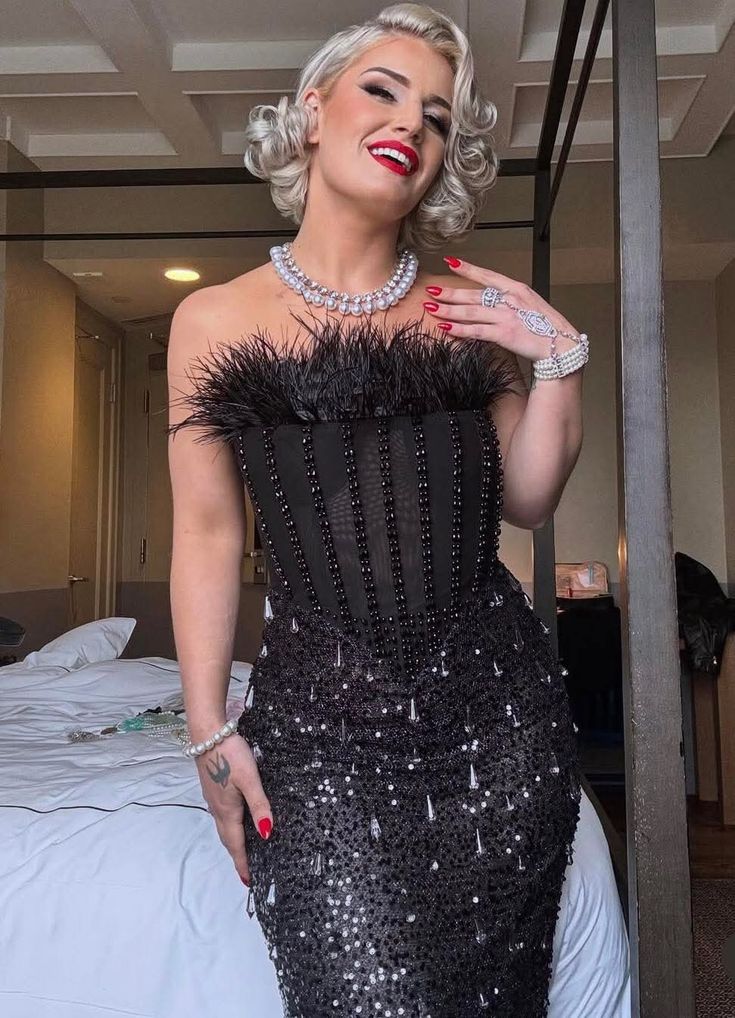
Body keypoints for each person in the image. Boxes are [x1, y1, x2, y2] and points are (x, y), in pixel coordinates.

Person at [166, 4, 593, 1015]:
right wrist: (207, 732)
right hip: (317, 740)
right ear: (313, 113)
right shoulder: (214, 319)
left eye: (437, 117)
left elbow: (529, 498)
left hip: (501, 729)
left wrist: (559, 361)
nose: (413, 122)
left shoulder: (460, 311)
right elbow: (208, 533)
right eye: (384, 91)